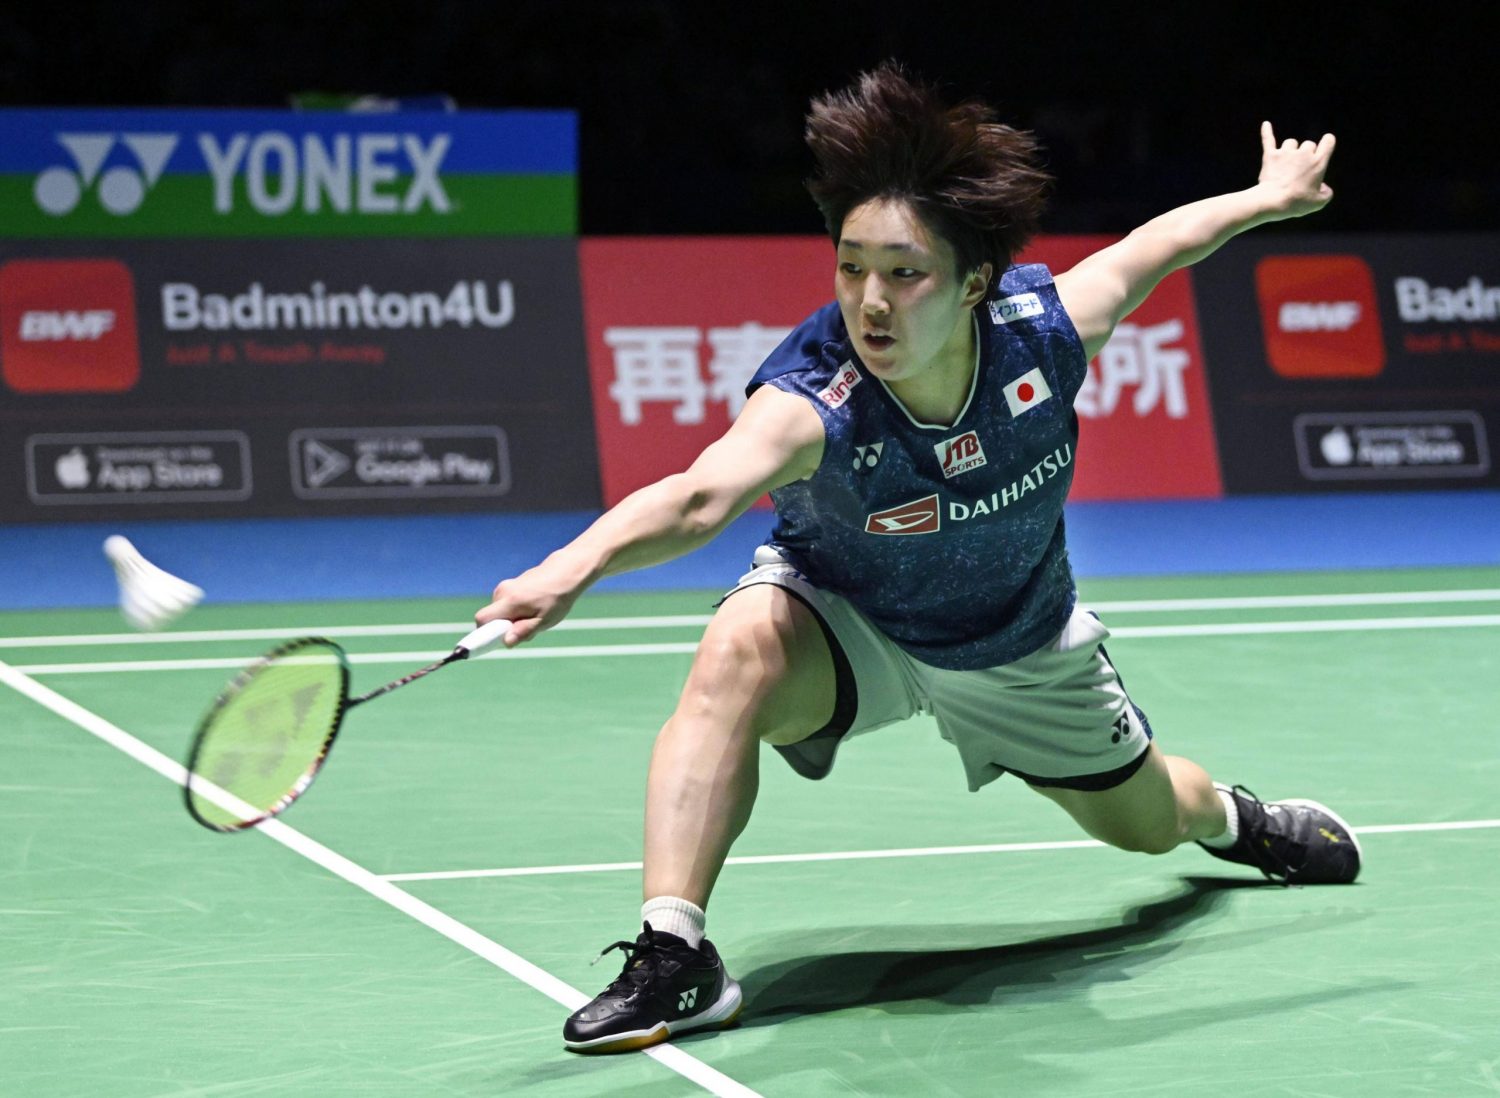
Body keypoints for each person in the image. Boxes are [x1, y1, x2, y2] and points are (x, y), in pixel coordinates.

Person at [475, 62, 1360, 1055]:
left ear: (975, 282)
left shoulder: (1041, 336)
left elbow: (1157, 246)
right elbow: (699, 494)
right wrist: (571, 567)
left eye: (905, 273)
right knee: (736, 647)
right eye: (851, 267)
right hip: (851, 619)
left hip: (1016, 643)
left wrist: (1263, 198)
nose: (872, 300)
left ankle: (1236, 824)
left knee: (1149, 819)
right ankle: (673, 953)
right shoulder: (818, 394)